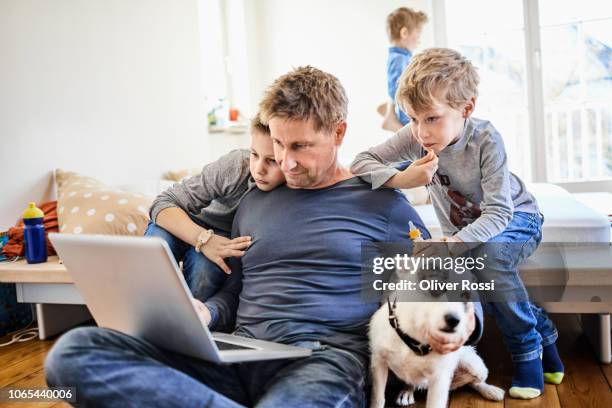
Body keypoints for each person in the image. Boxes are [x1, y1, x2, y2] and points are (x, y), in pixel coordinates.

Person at [45, 66, 484, 407]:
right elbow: (237, 290)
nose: (285, 163)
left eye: (300, 147)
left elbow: (450, 278)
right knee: (77, 352)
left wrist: (468, 323)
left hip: (323, 360)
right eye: (277, 143)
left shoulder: (381, 203)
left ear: (338, 133)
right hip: (237, 354)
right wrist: (206, 314)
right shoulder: (253, 201)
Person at [351, 48, 564, 400]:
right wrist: (404, 180)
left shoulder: (486, 140)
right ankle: (547, 334)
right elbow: (361, 162)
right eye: (413, 119)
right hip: (466, 233)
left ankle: (527, 349)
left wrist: (452, 245)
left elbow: (499, 213)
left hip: (517, 217)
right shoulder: (416, 135)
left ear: (466, 109)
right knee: (474, 263)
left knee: (490, 259)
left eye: (431, 119)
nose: (420, 131)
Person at [145, 114, 285, 301]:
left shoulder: (288, 194)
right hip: (187, 220)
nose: (259, 168)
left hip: (223, 239)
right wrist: (203, 238)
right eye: (254, 154)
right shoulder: (238, 165)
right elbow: (163, 202)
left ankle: (188, 324)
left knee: (205, 271)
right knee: (155, 247)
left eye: (272, 160)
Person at [381, 7, 428, 132]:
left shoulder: (401, 57)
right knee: (414, 134)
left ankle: (389, 111)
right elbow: (397, 88)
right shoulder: (400, 59)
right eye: (417, 36)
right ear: (404, 33)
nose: (418, 41)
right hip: (406, 108)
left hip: (404, 105)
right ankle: (391, 119)